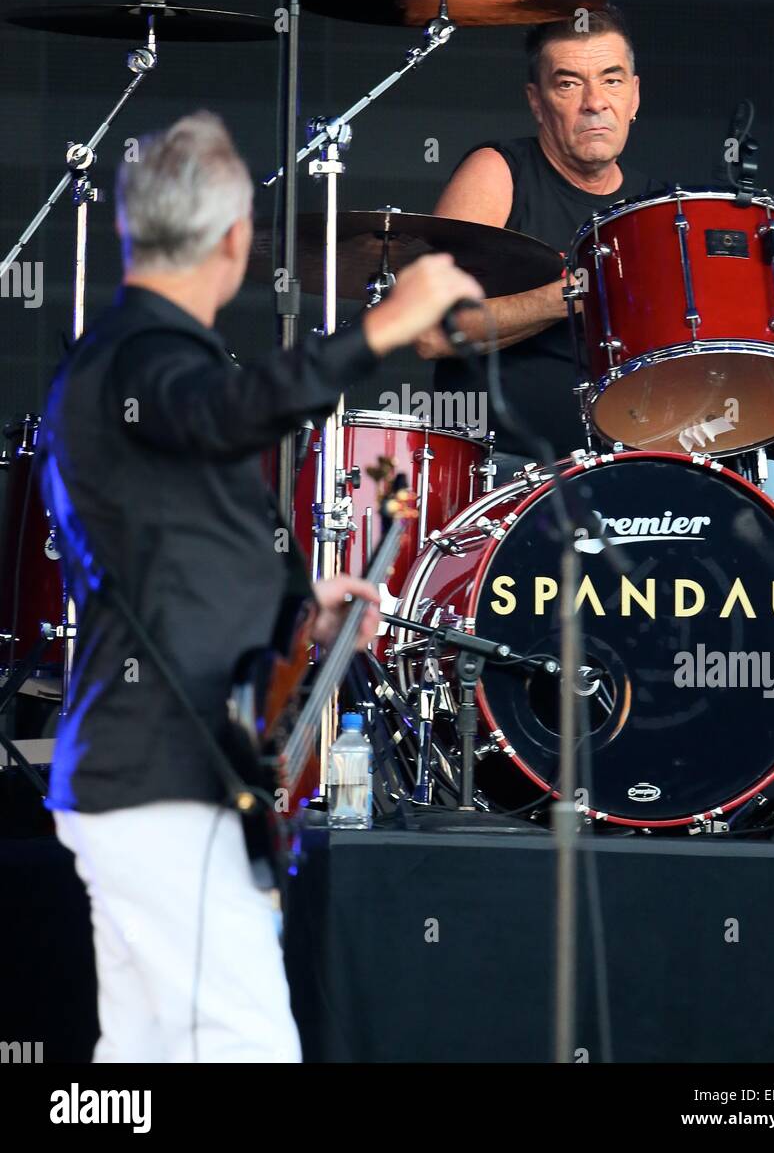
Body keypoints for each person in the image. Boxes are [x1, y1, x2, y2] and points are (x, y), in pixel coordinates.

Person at [38, 110, 483, 1063]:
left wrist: (298, 607)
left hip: (155, 769)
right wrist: (380, 331)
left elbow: (174, 549)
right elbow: (225, 413)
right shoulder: (147, 359)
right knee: (241, 1048)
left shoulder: (128, 359)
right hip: (157, 773)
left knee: (154, 1058)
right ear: (237, 238)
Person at [420, 6, 662, 480]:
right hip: (502, 475)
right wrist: (566, 298)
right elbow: (429, 332)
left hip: (623, 468)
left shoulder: (654, 205)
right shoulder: (499, 172)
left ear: (634, 96)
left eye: (612, 81)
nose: (595, 102)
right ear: (537, 101)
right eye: (569, 84)